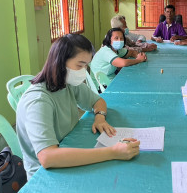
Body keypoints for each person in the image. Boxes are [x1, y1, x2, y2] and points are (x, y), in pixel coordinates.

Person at [16, 34, 140, 179]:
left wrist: (100, 117)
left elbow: (98, 102)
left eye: (86, 65)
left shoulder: (66, 83)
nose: (83, 71)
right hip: (46, 175)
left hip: (67, 149)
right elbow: (47, 157)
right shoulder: (38, 101)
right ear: (60, 62)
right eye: (80, 65)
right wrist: (112, 152)